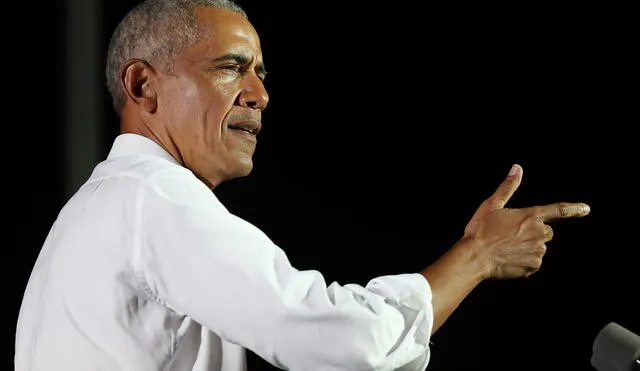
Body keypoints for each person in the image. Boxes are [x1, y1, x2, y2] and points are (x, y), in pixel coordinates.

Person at [14, 1, 591, 370]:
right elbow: (344, 343)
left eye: (260, 74)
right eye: (230, 66)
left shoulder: (104, 206)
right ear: (143, 85)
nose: (259, 94)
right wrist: (478, 255)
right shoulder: (151, 195)